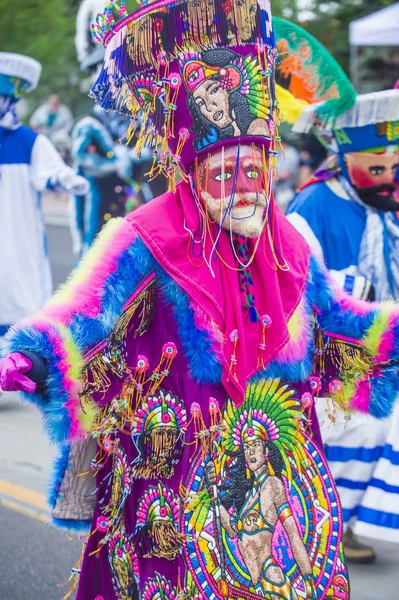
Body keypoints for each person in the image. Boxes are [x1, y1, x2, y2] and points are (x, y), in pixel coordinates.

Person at [1, 4, 399, 599]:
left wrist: (387, 338)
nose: (243, 187)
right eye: (225, 172)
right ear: (192, 170)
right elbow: (88, 318)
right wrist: (34, 355)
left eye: (255, 170)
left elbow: (334, 320)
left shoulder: (285, 240)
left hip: (277, 466)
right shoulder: (145, 235)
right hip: (177, 462)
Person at [287, 89, 399, 562]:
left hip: (387, 338)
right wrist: (348, 290)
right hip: (335, 348)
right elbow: (294, 281)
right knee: (362, 429)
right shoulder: (312, 204)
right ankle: (333, 521)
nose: (390, 177)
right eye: (378, 169)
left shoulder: (388, 202)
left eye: (397, 166)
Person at [0, 52, 89, 337]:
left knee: (17, 293)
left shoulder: (28, 141)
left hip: (16, 236)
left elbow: (52, 168)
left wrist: (68, 180)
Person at [71, 0, 153, 257]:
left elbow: (154, 152)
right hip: (99, 214)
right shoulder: (90, 125)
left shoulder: (139, 119)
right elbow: (85, 160)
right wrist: (113, 164)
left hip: (135, 213)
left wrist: (137, 156)